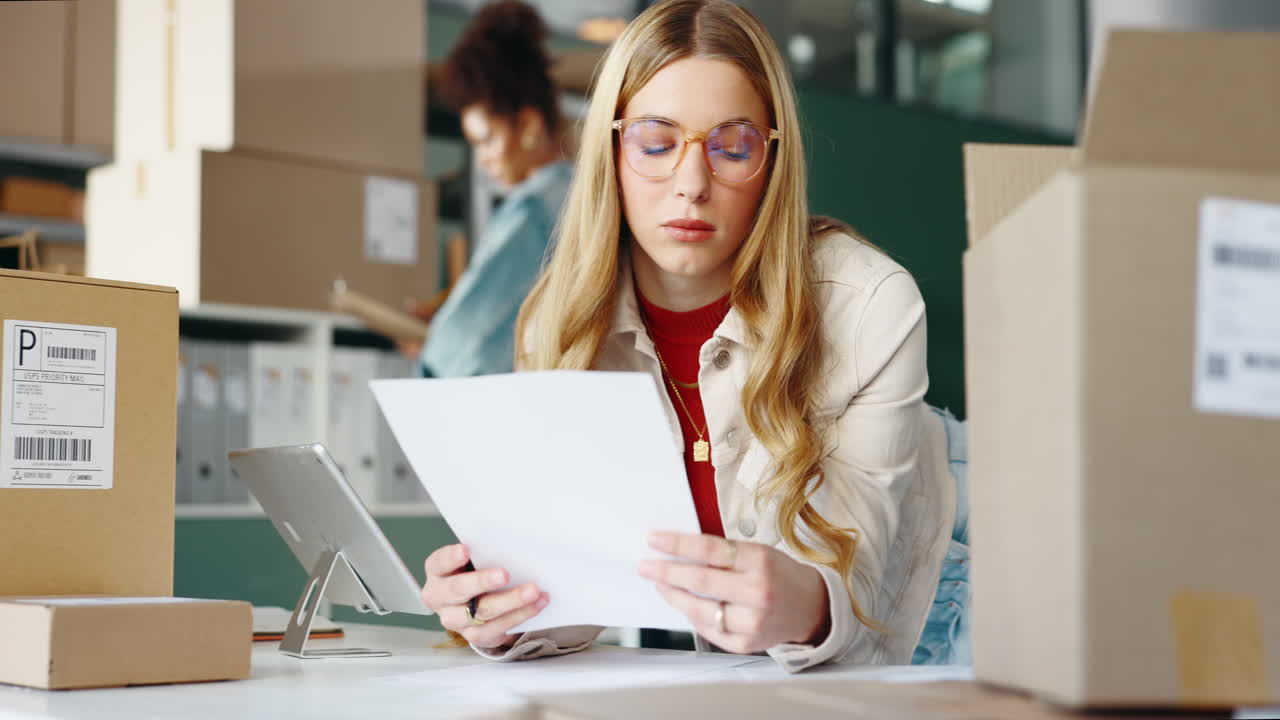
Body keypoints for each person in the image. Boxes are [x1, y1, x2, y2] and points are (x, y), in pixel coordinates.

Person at [420, 0, 970, 670]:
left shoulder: (870, 303)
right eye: (656, 143)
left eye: (732, 147)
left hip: (945, 596)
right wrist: (499, 613)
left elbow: (858, 585)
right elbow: (580, 582)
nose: (691, 184)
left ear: (772, 162)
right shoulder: (557, 323)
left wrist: (804, 603)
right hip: (761, 666)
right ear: (611, 153)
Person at [406, 0, 573, 378]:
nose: (482, 160)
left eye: (487, 140)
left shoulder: (533, 210)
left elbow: (463, 340)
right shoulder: (577, 196)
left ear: (529, 126)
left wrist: (431, 348)